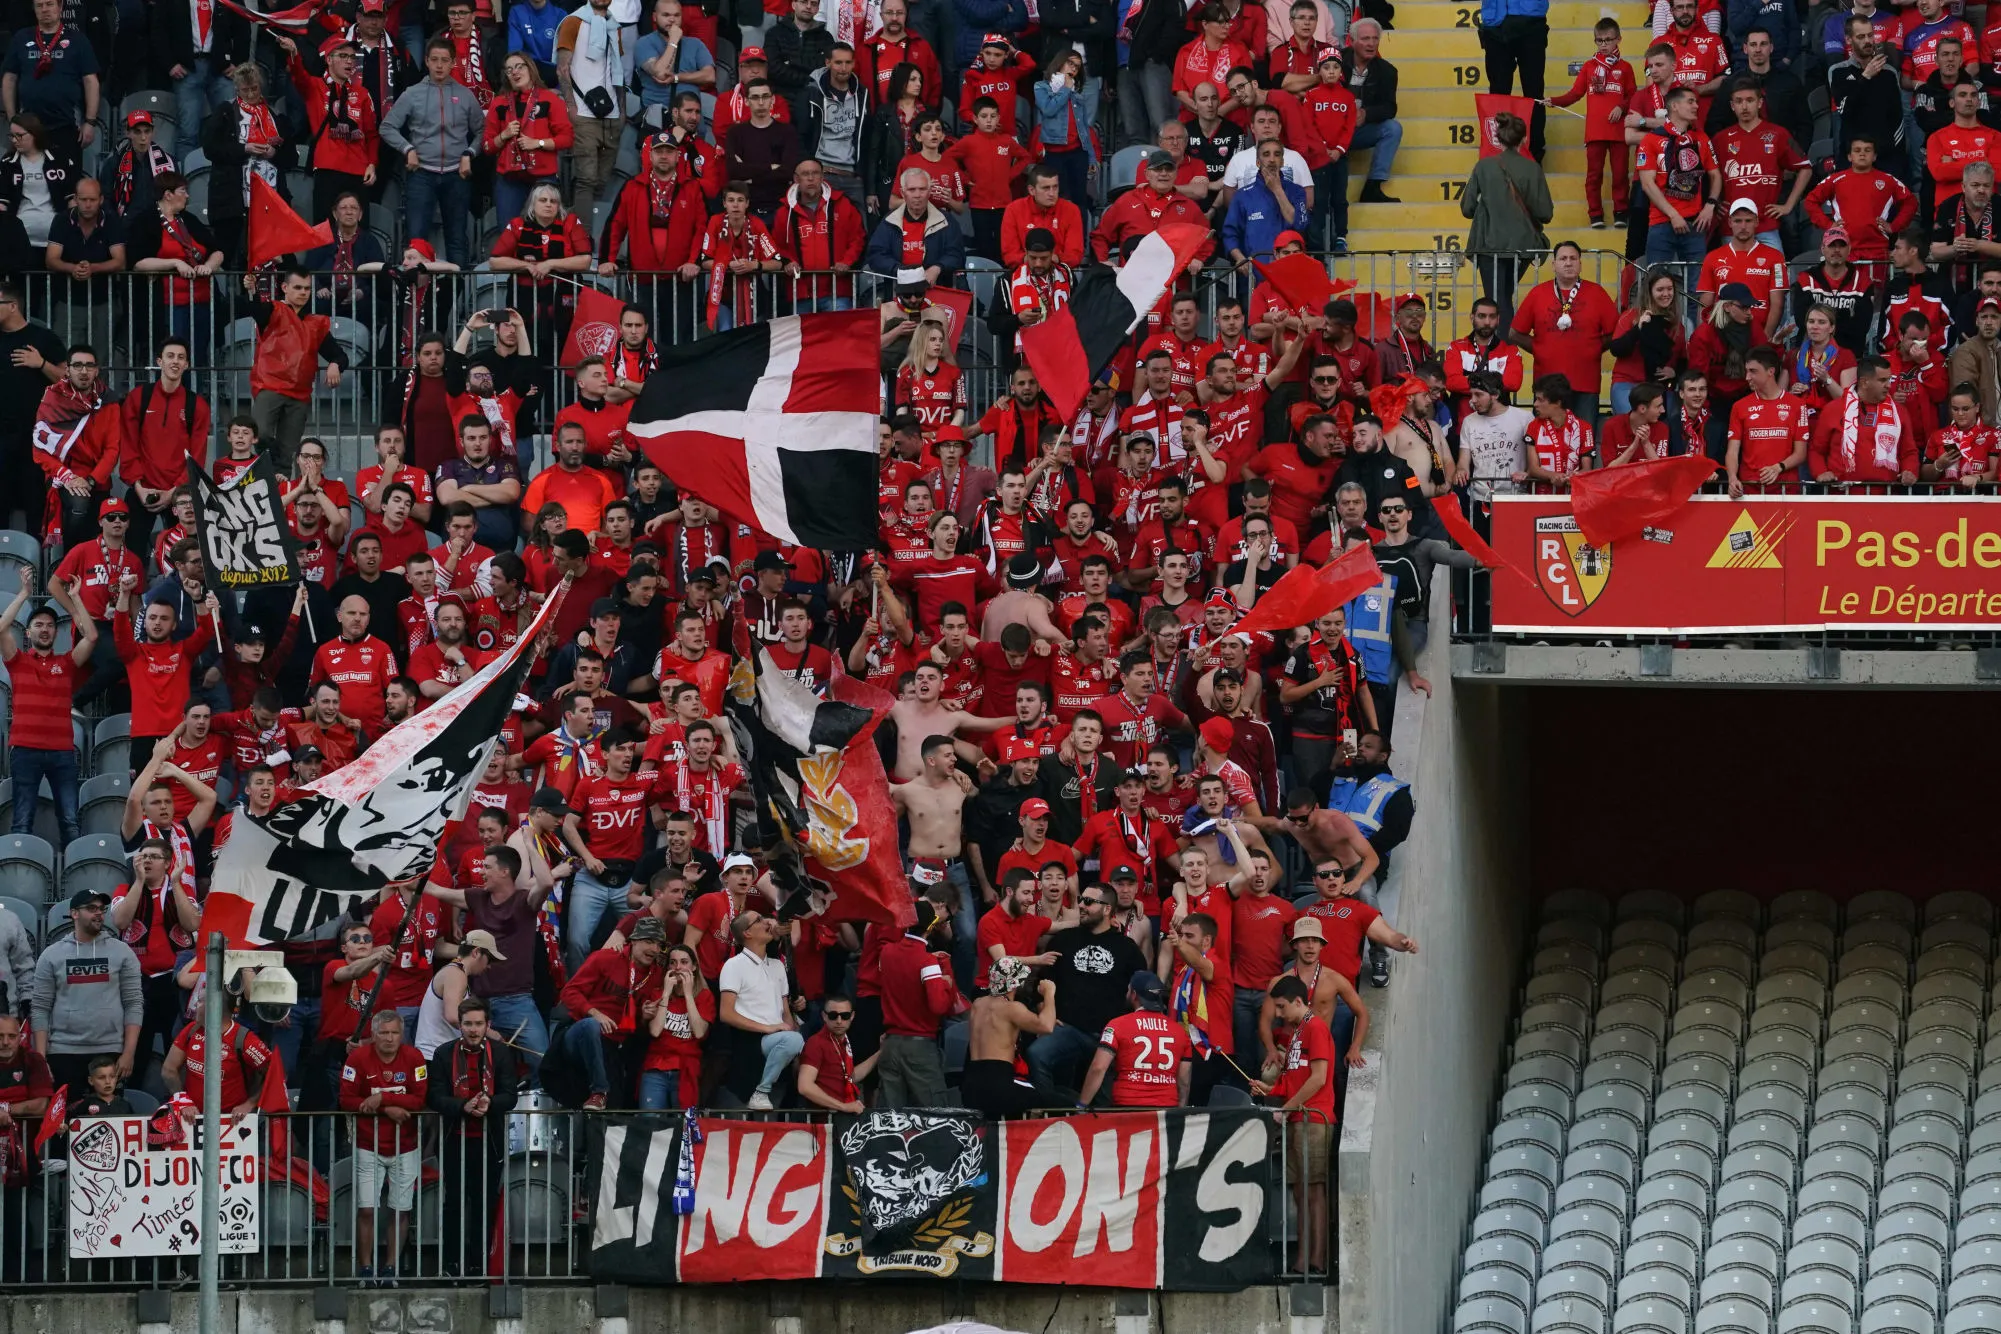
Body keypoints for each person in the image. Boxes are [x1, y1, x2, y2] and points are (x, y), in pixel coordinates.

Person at [1250, 972, 1338, 1275]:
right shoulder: (1300, 1031)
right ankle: (1304, 1257)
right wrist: (1270, 1090)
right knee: (1301, 1192)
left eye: (1281, 1006)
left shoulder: (1315, 1029)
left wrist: (1286, 1108)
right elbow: (1294, 1080)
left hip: (1313, 1119)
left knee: (1313, 1190)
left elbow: (1319, 1078)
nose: (1277, 1014)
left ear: (1299, 1001)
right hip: (1299, 1117)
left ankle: (1317, 1258)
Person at [429, 994, 518, 1277]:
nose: (473, 1029)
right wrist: (462, 1106)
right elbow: (433, 1096)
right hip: (454, 1138)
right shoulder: (443, 1053)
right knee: (453, 1201)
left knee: (485, 1203)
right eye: (468, 1023)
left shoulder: (501, 1052)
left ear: (487, 1024)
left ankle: (480, 1263)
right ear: (460, 1026)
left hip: (488, 1140)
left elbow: (510, 1096)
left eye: (478, 1024)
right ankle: (451, 1264)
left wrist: (489, 1103)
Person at [1029, 885, 1150, 1092]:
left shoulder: (1127, 948)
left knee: (1103, 1100)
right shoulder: (1064, 939)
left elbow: (1140, 993)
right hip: (1066, 1028)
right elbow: (1043, 981)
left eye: (1089, 902)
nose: (1082, 906)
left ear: (1106, 909)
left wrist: (1125, 1029)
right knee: (1036, 1053)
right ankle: (1046, 1108)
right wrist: (1043, 1008)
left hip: (1108, 1035)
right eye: (1081, 900)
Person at [1, 573, 93, 844]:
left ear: (56, 631)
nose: (44, 629)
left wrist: (75, 599)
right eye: (38, 624)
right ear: (27, 632)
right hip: (25, 750)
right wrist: (23, 595)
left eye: (50, 625)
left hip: (62, 751)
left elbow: (92, 636)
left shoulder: (66, 663)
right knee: (22, 820)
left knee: (70, 822)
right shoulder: (17, 661)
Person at [340, 1010, 429, 1282]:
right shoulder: (357, 1058)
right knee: (366, 1208)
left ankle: (391, 1267)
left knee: (400, 1209)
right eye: (384, 1033)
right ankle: (365, 1268)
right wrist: (388, 1108)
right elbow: (346, 1099)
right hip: (368, 1144)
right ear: (374, 1034)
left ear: (402, 1035)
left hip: (406, 1145)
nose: (389, 1038)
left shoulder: (415, 1058)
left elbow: (420, 1100)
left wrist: (381, 1098)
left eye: (394, 1033)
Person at [380, 39, 484, 265]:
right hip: (421, 174)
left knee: (457, 239)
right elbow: (387, 127)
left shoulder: (465, 95)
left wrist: (470, 153)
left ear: (453, 63)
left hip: (457, 174)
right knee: (416, 240)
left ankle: (458, 298)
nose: (439, 65)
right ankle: (413, 296)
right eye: (434, 60)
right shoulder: (412, 93)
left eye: (445, 60)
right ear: (426, 61)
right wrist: (407, 149)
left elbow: (483, 130)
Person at [30, 889, 142, 1098]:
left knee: (108, 1122)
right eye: (91, 908)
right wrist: (41, 1059)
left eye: (101, 909)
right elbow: (40, 1008)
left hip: (110, 1051)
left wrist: (128, 1053)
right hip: (63, 1052)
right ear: (74, 913)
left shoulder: (122, 952)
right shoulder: (52, 955)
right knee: (65, 1122)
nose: (99, 913)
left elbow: (134, 1003)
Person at [559, 916, 665, 1109]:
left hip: (615, 1046)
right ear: (633, 940)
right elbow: (569, 992)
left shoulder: (656, 975)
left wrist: (645, 1016)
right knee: (592, 1026)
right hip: (580, 1032)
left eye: (659, 944)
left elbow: (640, 1025)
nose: (654, 949)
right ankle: (599, 1092)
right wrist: (595, 1013)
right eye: (649, 941)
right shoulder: (606, 958)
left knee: (615, 1104)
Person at [1510, 241, 1619, 423]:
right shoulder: (1537, 293)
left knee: (1583, 442)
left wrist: (1594, 348)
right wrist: (1539, 348)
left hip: (1586, 382)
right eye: (1563, 258)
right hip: (1547, 384)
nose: (1568, 263)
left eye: (1573, 258)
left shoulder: (1597, 293)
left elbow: (1615, 332)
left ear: (1580, 264)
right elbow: (1515, 333)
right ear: (1553, 265)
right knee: (1545, 441)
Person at [1461, 112, 1552, 325]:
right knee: (1503, 299)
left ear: (1498, 139)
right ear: (1524, 139)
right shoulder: (1533, 168)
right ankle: (1506, 350)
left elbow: (1467, 208)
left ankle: (1502, 350)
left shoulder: (1483, 166)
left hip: (1488, 244)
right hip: (1522, 246)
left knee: (1496, 301)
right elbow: (1545, 213)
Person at [875, 898, 958, 1108]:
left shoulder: (887, 953)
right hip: (920, 1048)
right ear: (930, 927)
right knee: (935, 1117)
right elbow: (938, 1006)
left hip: (891, 1045)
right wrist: (945, 984)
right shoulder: (927, 961)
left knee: (889, 1120)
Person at [718, 910, 803, 1109]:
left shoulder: (777, 965)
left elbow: (785, 1011)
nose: (766, 922)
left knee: (796, 1039)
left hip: (778, 1043)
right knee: (739, 1130)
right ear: (747, 933)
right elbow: (726, 1014)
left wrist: (792, 1040)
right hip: (750, 1044)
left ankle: (763, 1090)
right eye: (759, 920)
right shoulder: (733, 965)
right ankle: (762, 1090)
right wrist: (768, 1028)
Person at [958, 957, 1058, 1118]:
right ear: (1016, 983)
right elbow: (1047, 1026)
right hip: (998, 1086)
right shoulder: (1012, 1008)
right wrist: (1049, 994)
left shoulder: (978, 1004)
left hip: (971, 1086)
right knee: (1060, 1102)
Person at [1077, 969, 1193, 1108]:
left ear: (1134, 995)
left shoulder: (1117, 1025)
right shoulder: (1180, 1032)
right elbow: (1184, 1081)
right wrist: (1180, 1114)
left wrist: (1081, 1106)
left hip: (1127, 1108)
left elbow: (1098, 1067)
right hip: (1165, 1110)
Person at [1808, 356, 1921, 483]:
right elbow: (1817, 450)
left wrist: (1909, 471)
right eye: (1882, 380)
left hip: (1887, 495)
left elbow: (1909, 452)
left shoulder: (1899, 412)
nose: (1889, 385)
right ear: (1864, 382)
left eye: (1889, 379)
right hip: (1843, 495)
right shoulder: (1833, 409)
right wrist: (1821, 472)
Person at [641, 943, 714, 1109]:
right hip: (656, 1068)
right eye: (673, 963)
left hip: (686, 1069)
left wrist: (688, 995)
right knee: (650, 1122)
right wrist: (666, 994)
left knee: (684, 1126)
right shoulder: (658, 993)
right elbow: (655, 1031)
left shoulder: (704, 996)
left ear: (694, 966)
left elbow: (700, 1032)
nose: (678, 967)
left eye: (684, 962)